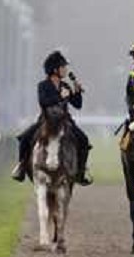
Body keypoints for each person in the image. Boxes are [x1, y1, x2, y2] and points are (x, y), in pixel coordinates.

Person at [11, 51, 93, 185]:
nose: (66, 70)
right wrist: (61, 96)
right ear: (55, 69)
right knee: (24, 138)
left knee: (83, 140)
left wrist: (77, 91)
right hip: (46, 120)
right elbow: (44, 101)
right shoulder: (43, 85)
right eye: (63, 67)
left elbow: (77, 105)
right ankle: (21, 167)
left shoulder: (65, 85)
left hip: (65, 121)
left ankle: (81, 171)